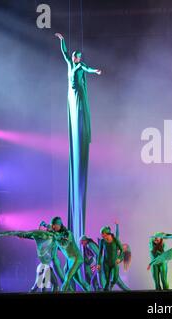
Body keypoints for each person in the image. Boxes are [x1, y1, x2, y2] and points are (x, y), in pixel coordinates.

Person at [54, 32, 101, 242]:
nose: (75, 59)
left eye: (78, 57)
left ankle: (81, 127)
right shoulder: (69, 64)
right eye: (74, 57)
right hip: (70, 96)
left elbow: (88, 69)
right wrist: (62, 39)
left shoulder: (81, 67)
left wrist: (95, 70)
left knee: (79, 116)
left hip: (78, 94)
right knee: (72, 114)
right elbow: (63, 52)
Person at [0, 222, 64, 292]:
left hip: (46, 267)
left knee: (50, 286)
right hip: (43, 267)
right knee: (38, 287)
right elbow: (21, 233)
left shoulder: (53, 239)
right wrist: (0, 234)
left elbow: (58, 242)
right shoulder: (43, 235)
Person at [49, 216, 90, 291]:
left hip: (76, 259)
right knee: (79, 281)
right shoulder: (56, 235)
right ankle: (88, 290)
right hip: (70, 260)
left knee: (67, 278)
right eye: (52, 225)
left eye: (54, 225)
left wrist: (55, 237)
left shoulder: (68, 233)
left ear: (59, 225)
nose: (53, 227)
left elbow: (64, 244)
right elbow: (61, 247)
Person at [96, 226, 124, 291]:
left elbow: (122, 250)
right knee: (107, 280)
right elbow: (100, 253)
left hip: (114, 262)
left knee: (115, 278)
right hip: (106, 263)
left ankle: (112, 284)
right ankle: (107, 289)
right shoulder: (102, 241)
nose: (102, 236)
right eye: (101, 235)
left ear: (106, 233)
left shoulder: (115, 240)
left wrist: (119, 258)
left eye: (103, 234)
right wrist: (98, 263)